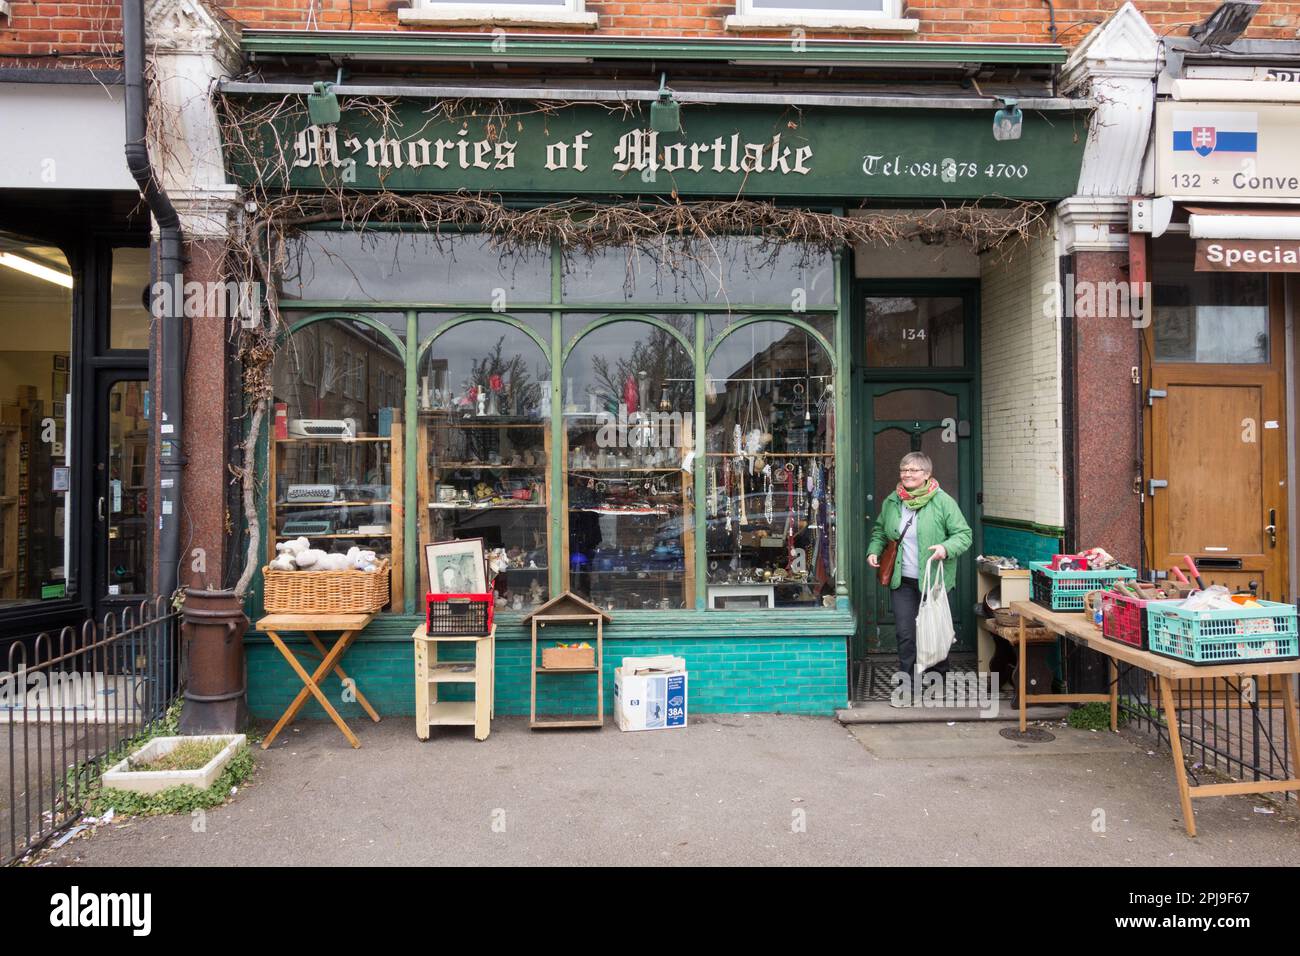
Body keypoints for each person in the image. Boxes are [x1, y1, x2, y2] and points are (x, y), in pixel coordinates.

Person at [867, 452, 972, 700]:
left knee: (933, 632)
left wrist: (945, 548)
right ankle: (908, 683)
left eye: (913, 470)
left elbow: (964, 534)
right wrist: (874, 550)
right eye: (904, 470)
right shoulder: (893, 501)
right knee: (905, 633)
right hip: (902, 580)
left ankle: (938, 679)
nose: (907, 474)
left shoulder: (942, 501)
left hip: (934, 580)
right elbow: (881, 531)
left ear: (926, 475)